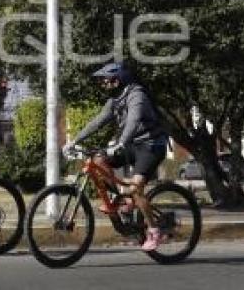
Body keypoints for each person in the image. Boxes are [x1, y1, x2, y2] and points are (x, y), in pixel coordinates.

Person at [63, 62, 169, 252]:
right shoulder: (115, 100)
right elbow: (98, 122)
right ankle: (119, 198)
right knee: (98, 160)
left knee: (136, 189)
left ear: (117, 80)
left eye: (106, 80)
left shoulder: (137, 95)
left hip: (151, 145)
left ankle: (154, 230)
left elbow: (134, 121)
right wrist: (74, 140)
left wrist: (121, 143)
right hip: (132, 145)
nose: (103, 84)